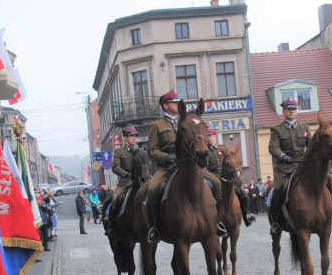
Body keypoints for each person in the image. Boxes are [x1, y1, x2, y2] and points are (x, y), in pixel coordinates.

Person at [146, 91, 226, 243]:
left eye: (178, 102)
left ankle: (217, 222)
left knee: (216, 183)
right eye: (173, 102)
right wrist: (167, 157)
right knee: (152, 189)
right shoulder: (157, 125)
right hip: (167, 166)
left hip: (191, 164)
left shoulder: (189, 120)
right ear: (165, 105)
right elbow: (152, 150)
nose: (177, 104)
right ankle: (154, 228)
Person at [268, 98, 332, 236]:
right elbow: (273, 147)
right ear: (283, 111)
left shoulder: (304, 127)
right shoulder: (276, 130)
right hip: (285, 167)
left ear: (297, 111)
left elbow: (311, 146)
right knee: (277, 189)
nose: (291, 111)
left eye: (294, 109)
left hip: (303, 165)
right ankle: (275, 221)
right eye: (288, 109)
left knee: (327, 179)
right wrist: (283, 156)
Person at [205, 127, 255, 226]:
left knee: (242, 192)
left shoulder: (224, 148)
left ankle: (247, 215)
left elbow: (232, 161)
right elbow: (203, 166)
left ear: (215, 136)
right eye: (207, 136)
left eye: (210, 136)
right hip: (212, 178)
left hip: (227, 178)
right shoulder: (205, 150)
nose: (208, 138)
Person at [103, 126, 137, 236]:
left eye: (135, 136)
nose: (134, 138)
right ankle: (112, 225)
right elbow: (115, 167)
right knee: (114, 198)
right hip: (126, 182)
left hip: (139, 182)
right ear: (125, 138)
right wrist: (127, 174)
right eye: (131, 136)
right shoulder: (119, 152)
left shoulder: (139, 152)